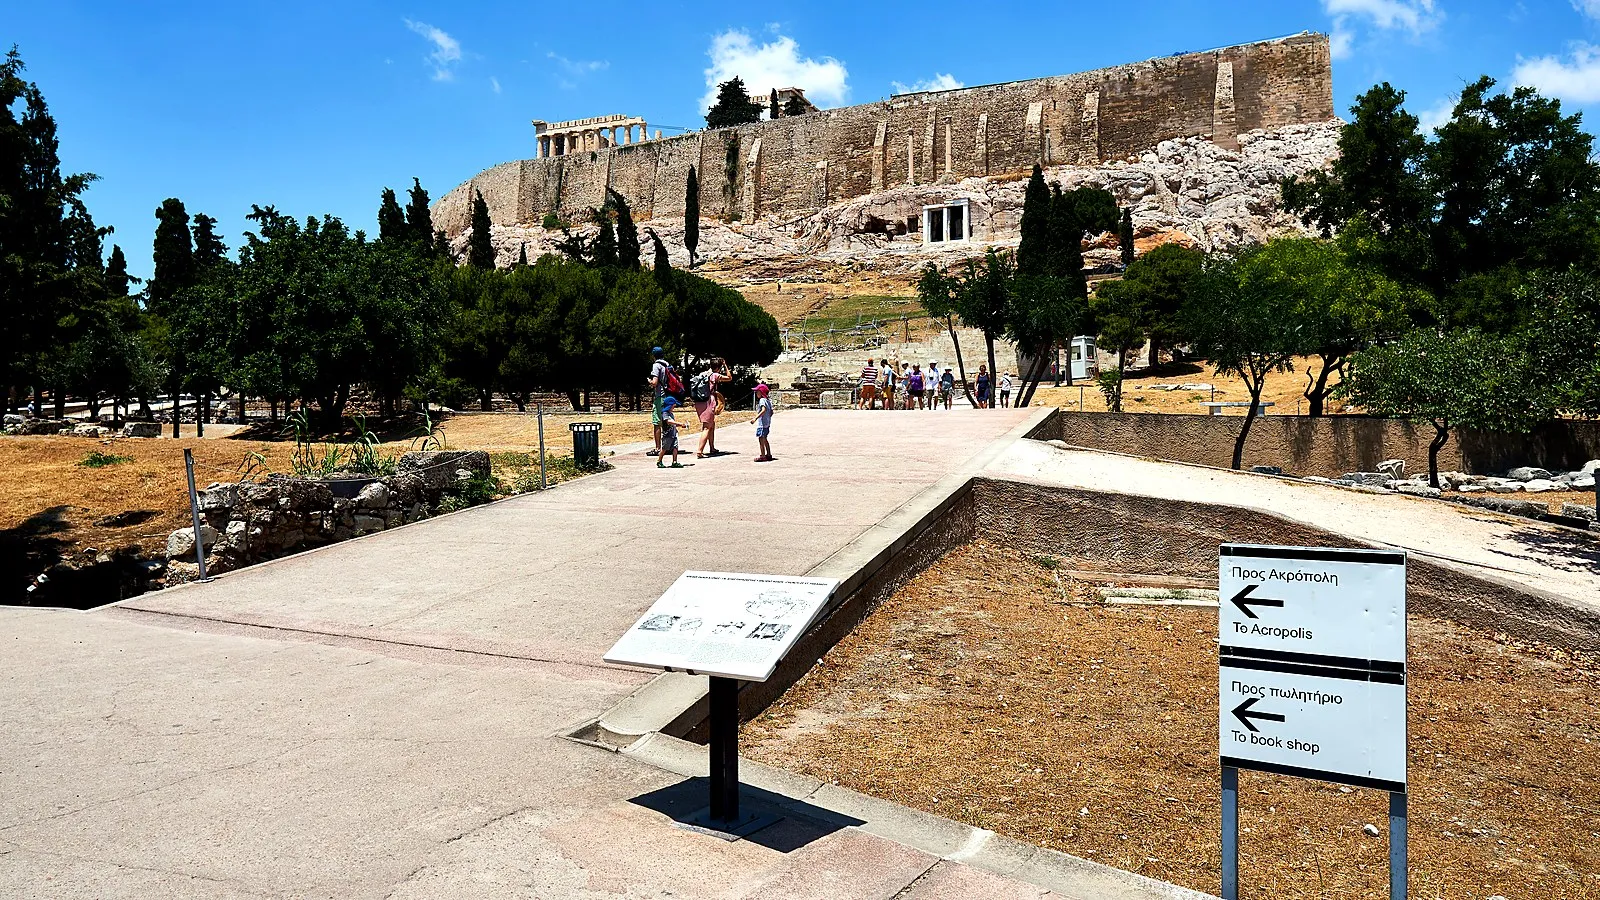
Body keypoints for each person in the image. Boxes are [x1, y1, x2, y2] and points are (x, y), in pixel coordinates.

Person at [693, 358, 730, 458]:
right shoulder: (715, 375)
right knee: (706, 427)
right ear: (718, 367)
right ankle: (699, 451)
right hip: (708, 402)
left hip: (699, 401)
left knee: (711, 425)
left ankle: (712, 447)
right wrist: (726, 365)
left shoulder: (703, 374)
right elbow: (729, 377)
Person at [647, 347, 673, 457]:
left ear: (653, 356)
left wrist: (649, 381)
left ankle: (658, 448)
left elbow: (655, 382)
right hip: (668, 396)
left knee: (657, 422)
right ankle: (669, 446)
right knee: (667, 421)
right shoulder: (667, 365)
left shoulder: (656, 365)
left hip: (660, 396)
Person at [750, 383, 775, 462]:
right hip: (767, 424)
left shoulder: (762, 400)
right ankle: (768, 454)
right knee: (765, 439)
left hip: (762, 425)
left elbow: (763, 410)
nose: (756, 393)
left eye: (757, 391)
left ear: (761, 392)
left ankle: (762, 455)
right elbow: (771, 412)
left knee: (761, 439)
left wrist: (755, 418)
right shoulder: (768, 401)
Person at [657, 396, 684, 468]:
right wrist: (679, 423)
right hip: (667, 435)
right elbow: (668, 422)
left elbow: (673, 424)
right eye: (673, 406)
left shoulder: (671, 414)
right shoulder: (665, 413)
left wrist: (680, 425)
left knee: (675, 447)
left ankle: (674, 461)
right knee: (664, 448)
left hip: (673, 434)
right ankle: (659, 461)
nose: (673, 408)